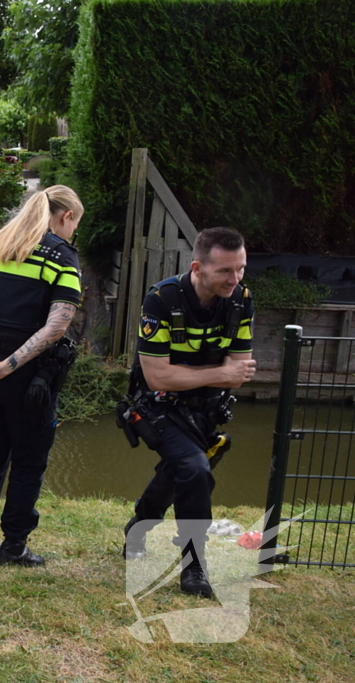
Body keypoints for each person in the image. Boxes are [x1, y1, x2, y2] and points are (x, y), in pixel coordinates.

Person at [0, 185, 84, 566]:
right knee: (28, 459)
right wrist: (9, 365)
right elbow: (57, 324)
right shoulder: (62, 256)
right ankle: (14, 545)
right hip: (26, 378)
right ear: (67, 217)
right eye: (75, 223)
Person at [119, 227, 255, 597]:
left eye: (241, 268)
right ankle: (194, 566)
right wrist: (219, 373)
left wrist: (210, 377)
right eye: (225, 271)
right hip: (160, 407)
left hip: (208, 411)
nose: (236, 278)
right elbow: (158, 376)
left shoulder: (241, 300)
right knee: (195, 470)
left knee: (179, 470)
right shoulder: (162, 299)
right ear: (197, 267)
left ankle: (138, 529)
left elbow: (240, 373)